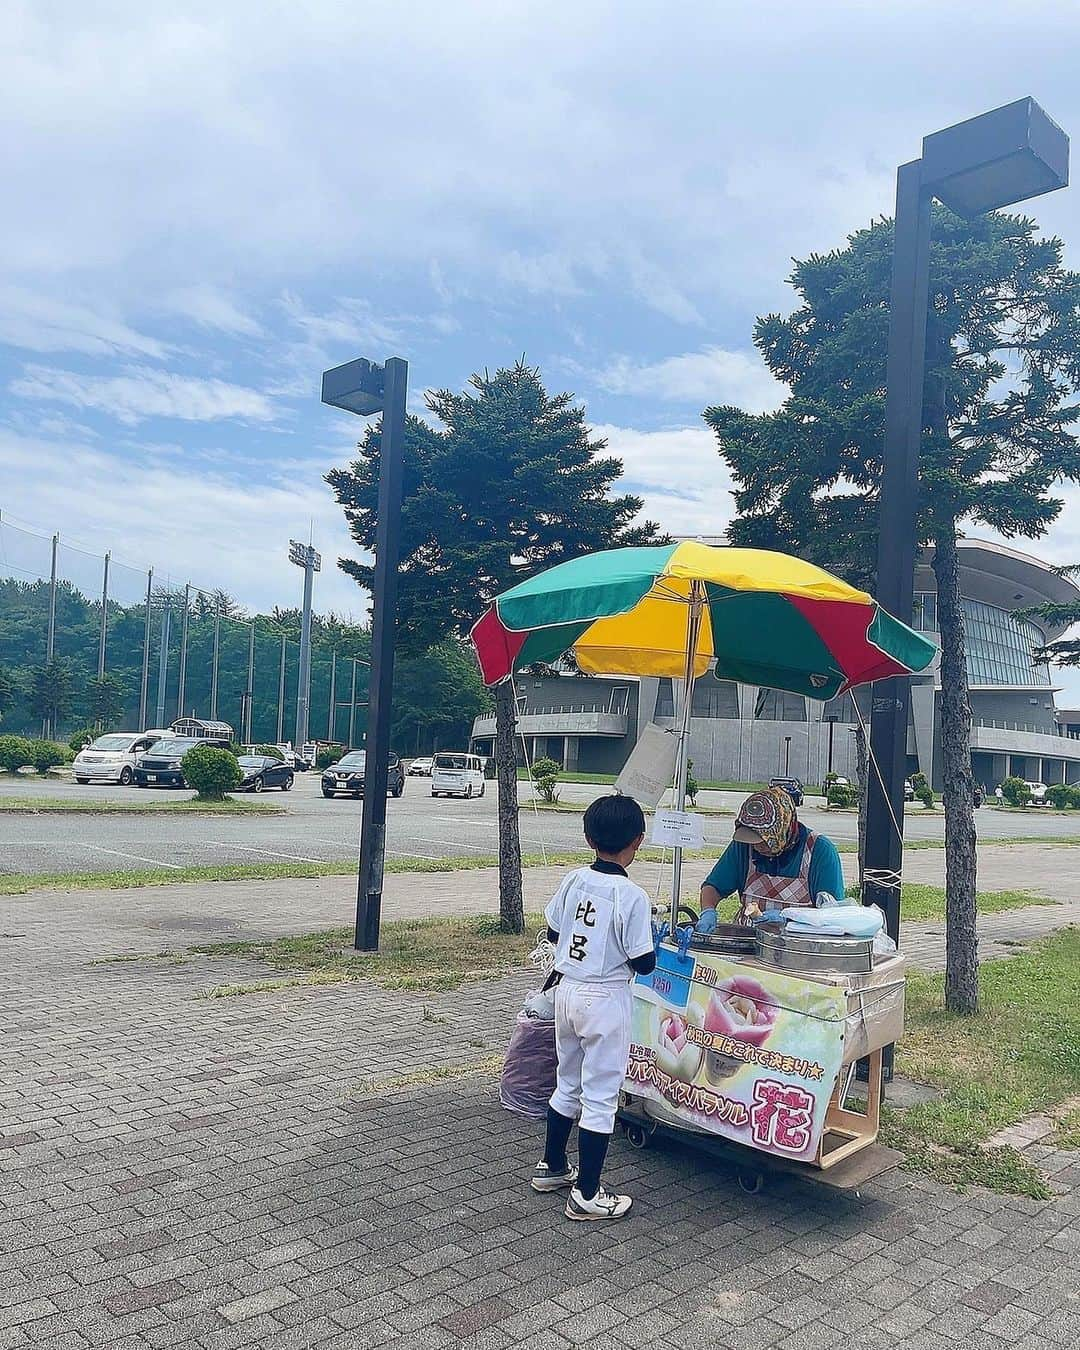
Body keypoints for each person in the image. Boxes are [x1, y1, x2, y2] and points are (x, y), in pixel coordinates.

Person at [530, 794, 657, 1221]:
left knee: (567, 1083)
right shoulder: (633, 895)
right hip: (606, 998)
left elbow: (552, 931)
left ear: (588, 837)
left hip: (567, 991)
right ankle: (587, 1193)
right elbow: (644, 962)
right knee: (601, 1097)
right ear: (638, 841)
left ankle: (552, 1165)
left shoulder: (573, 879)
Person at [696, 786, 845, 928]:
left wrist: (790, 918)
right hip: (748, 939)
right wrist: (708, 912)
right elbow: (713, 887)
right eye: (752, 841)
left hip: (798, 946)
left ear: (781, 830)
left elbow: (831, 915)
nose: (756, 847)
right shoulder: (743, 846)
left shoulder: (820, 851)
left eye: (763, 841)